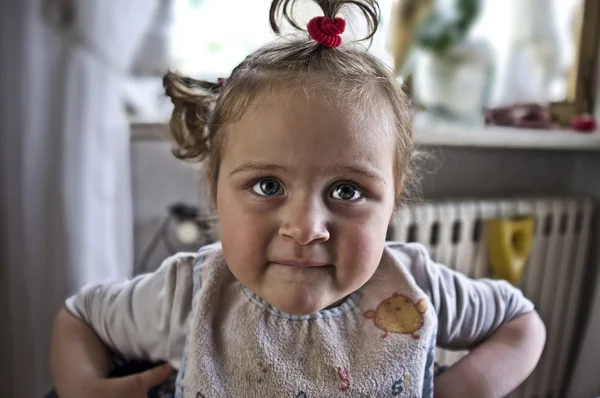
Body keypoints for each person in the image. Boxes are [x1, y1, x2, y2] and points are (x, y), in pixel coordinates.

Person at [49, 1, 546, 397]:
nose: (306, 227)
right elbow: (80, 318)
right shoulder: (189, 291)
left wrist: (463, 387)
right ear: (214, 192)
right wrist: (83, 386)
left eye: (347, 191)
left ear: (393, 203)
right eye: (268, 186)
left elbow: (521, 322)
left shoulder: (417, 289)